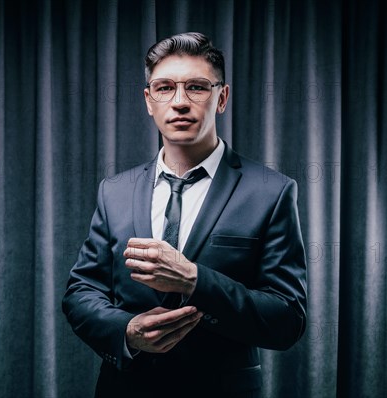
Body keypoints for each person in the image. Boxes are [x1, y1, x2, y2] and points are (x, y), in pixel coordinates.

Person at [62, 32, 307, 398]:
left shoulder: (272, 191)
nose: (179, 102)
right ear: (149, 100)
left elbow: (287, 319)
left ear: (221, 98)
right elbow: (81, 292)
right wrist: (126, 330)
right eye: (164, 88)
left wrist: (195, 280)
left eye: (196, 87)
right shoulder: (114, 190)